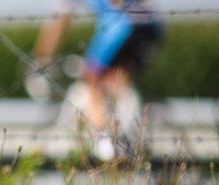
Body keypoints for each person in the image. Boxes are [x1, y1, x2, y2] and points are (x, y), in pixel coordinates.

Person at [31, 0, 163, 160]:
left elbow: (59, 24)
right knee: (118, 77)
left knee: (90, 79)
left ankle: (104, 138)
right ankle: (129, 133)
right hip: (150, 24)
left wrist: (41, 60)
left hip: (120, 24)